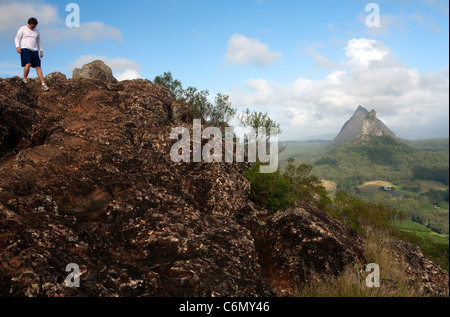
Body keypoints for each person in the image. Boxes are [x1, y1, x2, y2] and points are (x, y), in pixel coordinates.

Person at [15, 17, 49, 91]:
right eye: (32, 25)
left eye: (35, 25)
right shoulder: (23, 29)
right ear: (29, 24)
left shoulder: (37, 31)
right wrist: (17, 47)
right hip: (25, 48)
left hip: (34, 50)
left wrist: (41, 50)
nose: (33, 27)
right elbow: (17, 38)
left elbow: (38, 41)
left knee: (38, 66)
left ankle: (43, 84)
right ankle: (24, 79)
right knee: (28, 64)